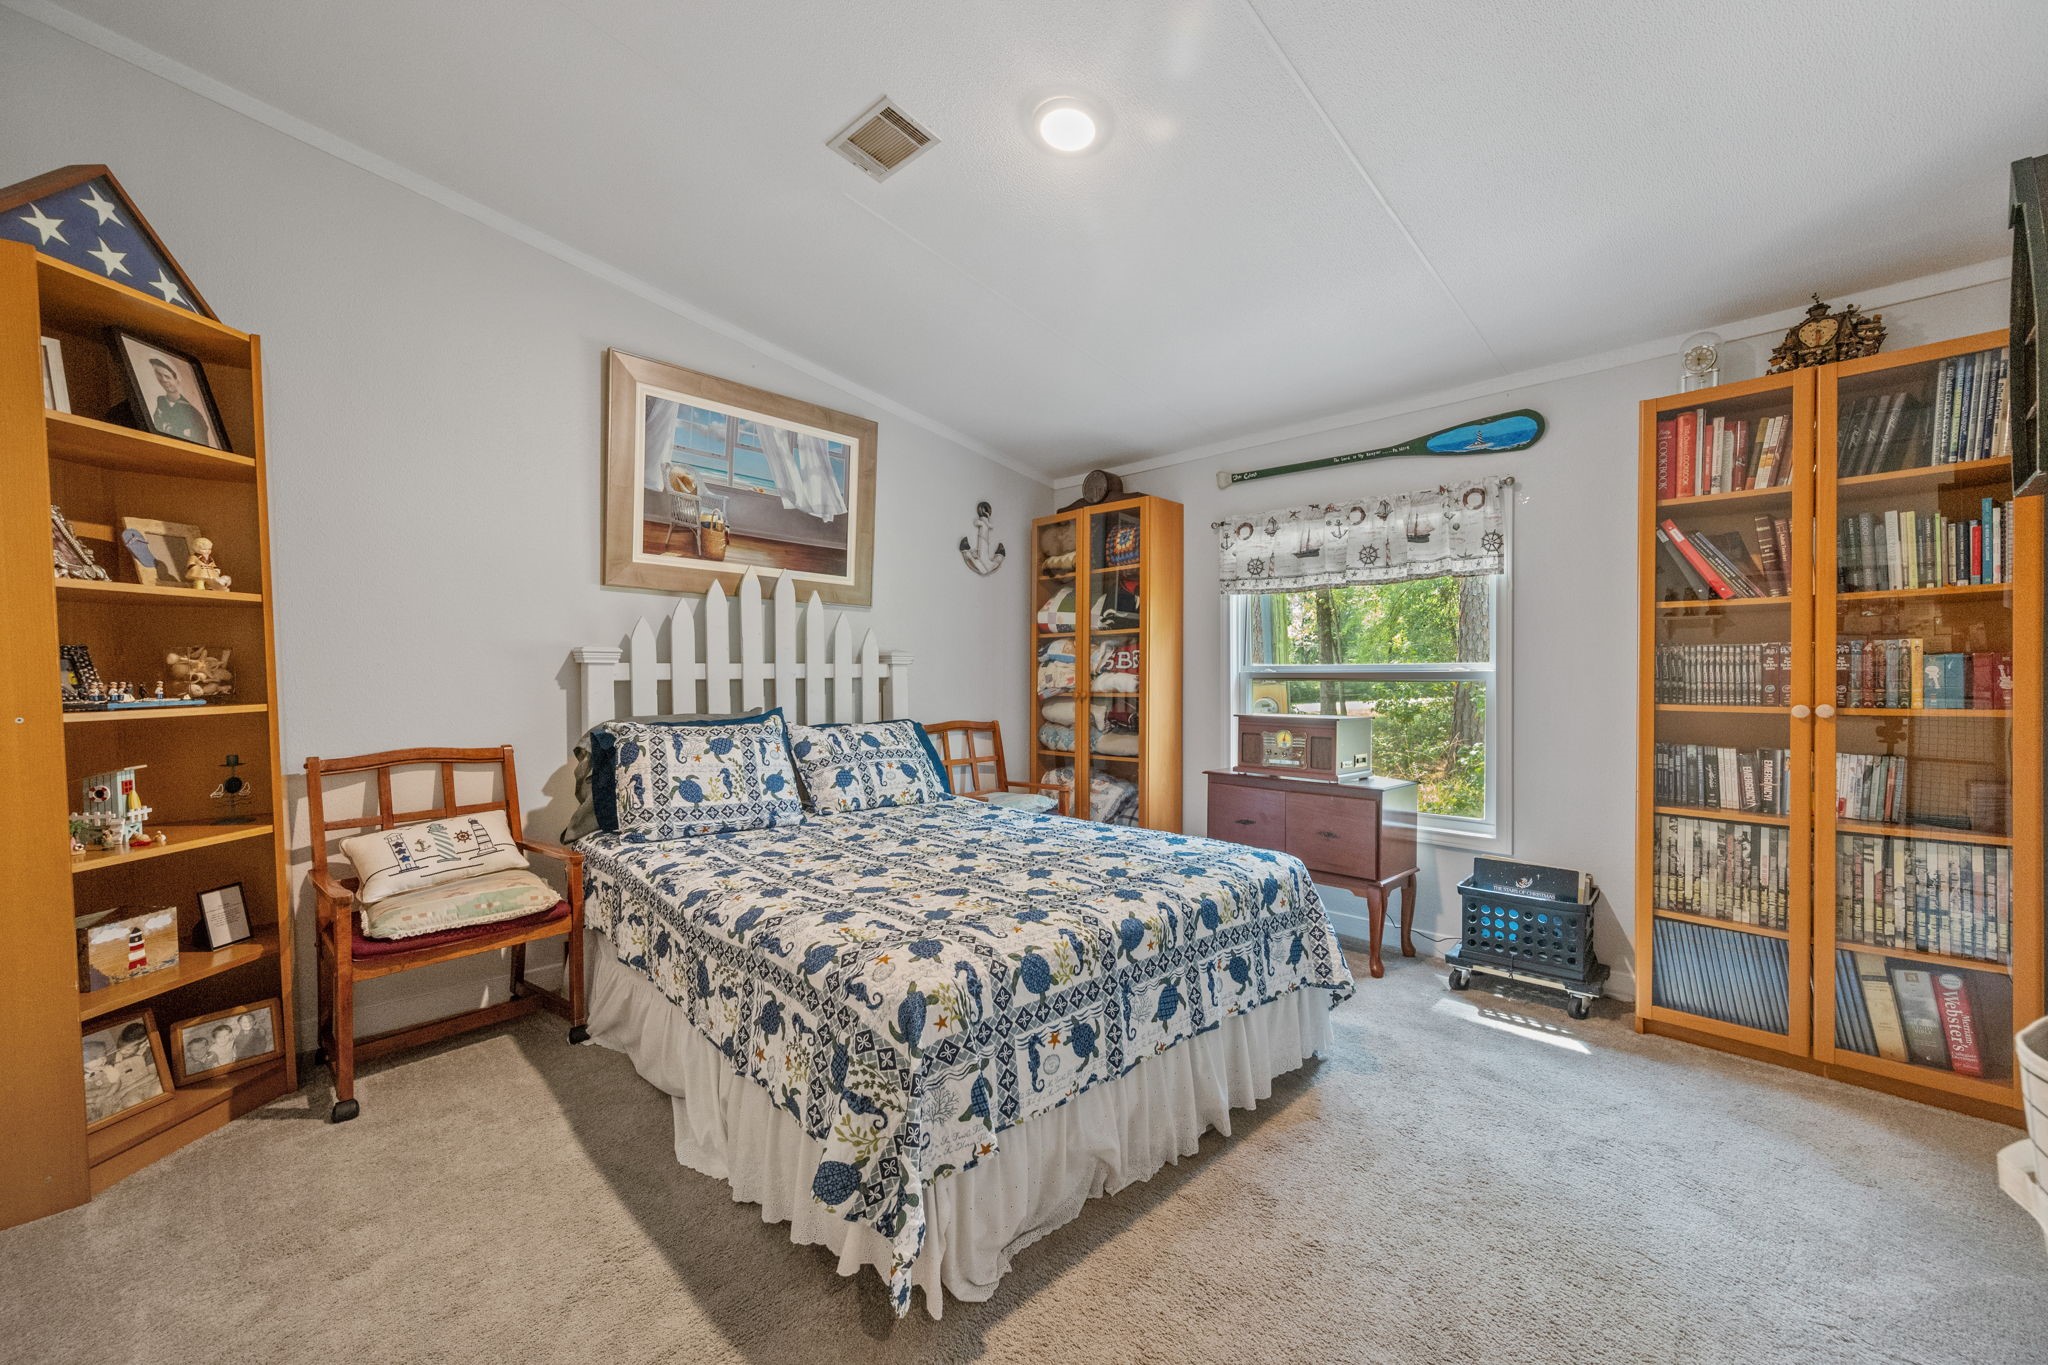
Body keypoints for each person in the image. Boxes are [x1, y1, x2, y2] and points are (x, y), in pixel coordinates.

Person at [145, 356, 210, 444]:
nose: (164, 380)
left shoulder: (193, 414)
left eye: (167, 376)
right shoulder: (161, 402)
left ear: (177, 380)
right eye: (159, 375)